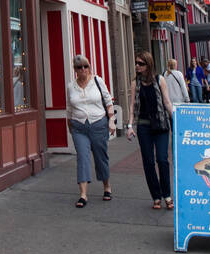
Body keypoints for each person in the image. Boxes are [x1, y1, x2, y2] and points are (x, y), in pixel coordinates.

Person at [126, 53, 175, 209]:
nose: (137, 66)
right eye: (136, 63)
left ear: (149, 64)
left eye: (141, 63)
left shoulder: (160, 80)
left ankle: (167, 194)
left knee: (162, 159)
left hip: (161, 125)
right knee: (148, 162)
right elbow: (132, 105)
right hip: (144, 126)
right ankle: (156, 196)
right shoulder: (136, 83)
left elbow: (167, 102)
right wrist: (129, 126)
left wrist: (177, 119)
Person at [66, 55, 115, 207]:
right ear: (75, 70)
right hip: (79, 126)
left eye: (85, 66)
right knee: (82, 157)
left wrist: (112, 121)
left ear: (89, 67)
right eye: (79, 67)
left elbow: (108, 101)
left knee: (101, 157)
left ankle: (107, 186)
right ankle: (83, 194)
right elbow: (69, 108)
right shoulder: (71, 87)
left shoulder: (97, 81)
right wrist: (70, 126)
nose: (83, 70)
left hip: (98, 124)